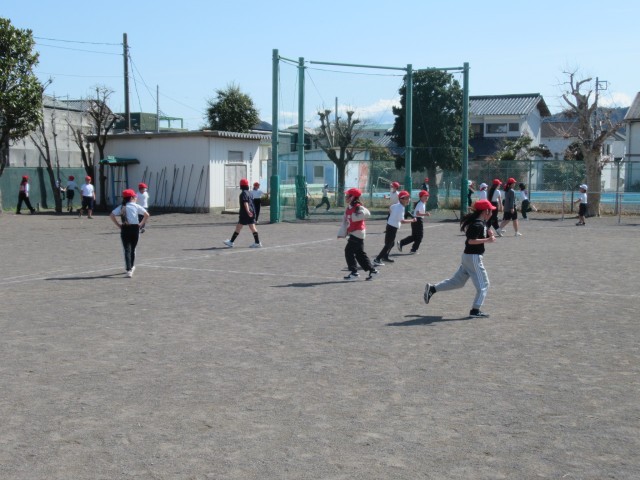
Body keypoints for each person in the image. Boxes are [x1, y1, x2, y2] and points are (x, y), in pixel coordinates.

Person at [423, 199, 497, 318]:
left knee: (458, 282)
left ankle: (433, 288)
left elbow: (484, 228)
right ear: (485, 211)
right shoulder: (477, 224)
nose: (492, 213)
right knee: (484, 284)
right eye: (490, 210)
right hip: (473, 258)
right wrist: (487, 240)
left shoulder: (481, 222)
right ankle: (475, 310)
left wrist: (489, 232)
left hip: (468, 257)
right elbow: (471, 241)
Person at [338, 188, 379, 281]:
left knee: (348, 251)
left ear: (352, 197)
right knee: (360, 254)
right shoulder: (349, 207)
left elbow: (367, 214)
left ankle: (354, 273)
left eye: (347, 196)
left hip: (357, 233)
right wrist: (342, 233)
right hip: (354, 233)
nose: (346, 197)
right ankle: (373, 271)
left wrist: (356, 216)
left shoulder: (358, 207)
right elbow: (345, 221)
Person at [109, 189, 150, 278]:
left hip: (125, 228)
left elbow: (111, 215)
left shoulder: (121, 207)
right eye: (135, 196)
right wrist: (141, 224)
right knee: (133, 249)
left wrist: (118, 225)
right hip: (135, 228)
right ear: (132, 198)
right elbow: (147, 215)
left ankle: (128, 270)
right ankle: (131, 266)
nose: (136, 198)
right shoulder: (136, 206)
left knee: (127, 249)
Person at [373, 190, 416, 266]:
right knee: (388, 245)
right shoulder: (401, 208)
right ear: (401, 199)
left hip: (390, 226)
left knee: (391, 243)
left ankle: (385, 257)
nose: (408, 200)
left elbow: (390, 209)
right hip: (392, 228)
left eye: (408, 198)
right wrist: (412, 220)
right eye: (406, 198)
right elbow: (402, 221)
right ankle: (377, 259)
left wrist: (393, 217)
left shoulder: (396, 205)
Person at [224, 178, 262, 248]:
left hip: (245, 213)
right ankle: (257, 242)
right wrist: (251, 212)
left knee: (238, 227)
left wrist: (247, 211)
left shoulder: (243, 193)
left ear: (241, 185)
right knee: (252, 227)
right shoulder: (249, 193)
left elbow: (245, 202)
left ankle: (231, 242)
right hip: (251, 211)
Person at [397, 190, 431, 254]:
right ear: (421, 197)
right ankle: (413, 250)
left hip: (416, 220)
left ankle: (401, 243)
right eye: (425, 196)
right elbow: (418, 213)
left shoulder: (422, 203)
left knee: (414, 236)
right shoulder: (420, 204)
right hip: (418, 220)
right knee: (419, 236)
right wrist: (425, 214)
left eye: (427, 196)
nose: (426, 197)